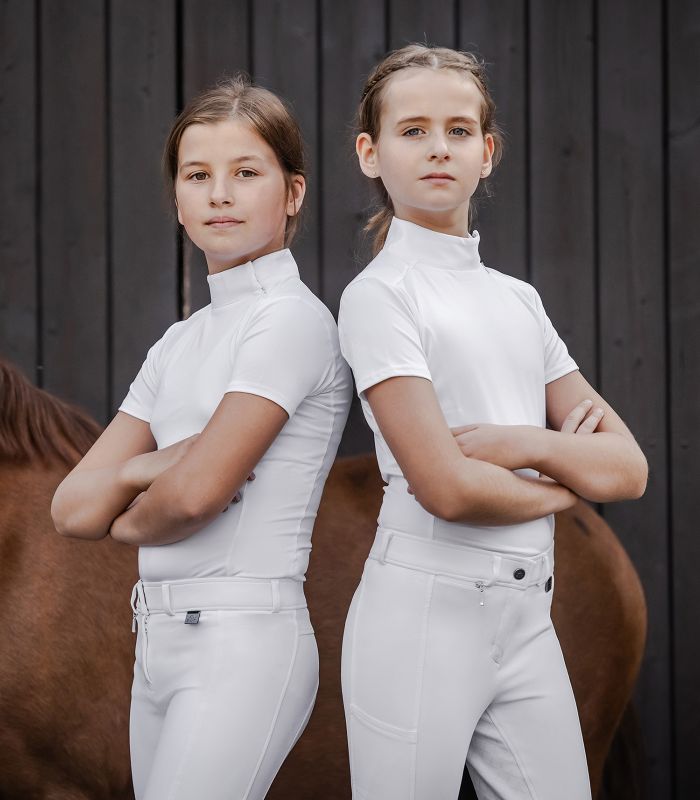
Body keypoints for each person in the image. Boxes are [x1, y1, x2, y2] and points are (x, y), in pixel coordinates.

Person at [337, 44, 647, 800]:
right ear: (371, 153)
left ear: (488, 152)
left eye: (459, 130)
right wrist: (569, 481)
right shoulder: (381, 296)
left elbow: (629, 469)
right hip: (421, 621)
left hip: (527, 616)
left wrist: (521, 445)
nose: (439, 147)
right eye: (413, 131)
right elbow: (447, 488)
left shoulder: (518, 301)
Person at [51, 75, 351, 800]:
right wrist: (144, 469)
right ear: (178, 198)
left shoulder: (289, 321)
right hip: (158, 643)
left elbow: (193, 499)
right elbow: (69, 509)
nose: (220, 194)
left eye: (246, 173)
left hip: (242, 642)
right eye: (197, 176)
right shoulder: (178, 344)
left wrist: (128, 510)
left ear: (293, 192)